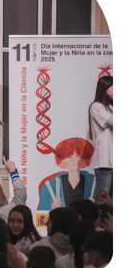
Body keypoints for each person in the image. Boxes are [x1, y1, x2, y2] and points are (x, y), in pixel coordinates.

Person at [38, 138, 96, 210]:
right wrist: (52, 208)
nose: (73, 160)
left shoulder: (94, 182)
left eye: (77, 156)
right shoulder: (49, 187)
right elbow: (42, 216)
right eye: (70, 156)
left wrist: (94, 208)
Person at [88, 76, 113, 204]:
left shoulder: (112, 107)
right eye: (113, 87)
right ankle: (99, 224)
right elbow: (112, 121)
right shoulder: (96, 107)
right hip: (105, 162)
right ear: (104, 88)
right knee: (103, 200)